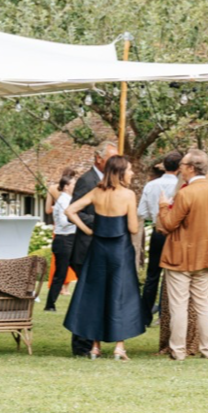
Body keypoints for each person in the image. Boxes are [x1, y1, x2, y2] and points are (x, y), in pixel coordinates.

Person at [63, 154, 144, 360]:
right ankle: (119, 346)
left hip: (98, 248)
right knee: (120, 293)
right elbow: (133, 228)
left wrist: (88, 230)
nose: (132, 173)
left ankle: (95, 346)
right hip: (119, 250)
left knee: (96, 295)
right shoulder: (127, 195)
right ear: (120, 172)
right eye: (129, 169)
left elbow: (70, 210)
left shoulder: (96, 192)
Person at [156, 150, 208, 360]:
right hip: (204, 255)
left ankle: (178, 350)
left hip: (179, 256)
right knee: (203, 304)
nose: (180, 169)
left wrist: (163, 206)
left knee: (179, 305)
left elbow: (169, 224)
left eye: (183, 165)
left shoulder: (185, 194)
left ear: (190, 168)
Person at [68, 142, 117, 357]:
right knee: (86, 298)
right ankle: (81, 344)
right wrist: (102, 221)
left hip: (101, 248)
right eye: (112, 158)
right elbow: (77, 211)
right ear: (99, 159)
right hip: (86, 248)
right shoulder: (87, 181)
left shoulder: (110, 183)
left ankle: (91, 342)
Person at [137, 151, 181, 326]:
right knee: (170, 274)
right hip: (174, 234)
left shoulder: (151, 185)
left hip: (157, 231)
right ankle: (164, 313)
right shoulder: (180, 187)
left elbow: (142, 212)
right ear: (179, 167)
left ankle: (145, 314)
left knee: (152, 275)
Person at [41, 167, 79, 312]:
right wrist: (78, 220)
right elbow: (63, 222)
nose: (75, 186)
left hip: (70, 239)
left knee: (78, 268)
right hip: (64, 240)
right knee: (61, 273)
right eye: (73, 184)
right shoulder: (64, 200)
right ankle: (50, 304)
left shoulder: (68, 199)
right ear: (67, 186)